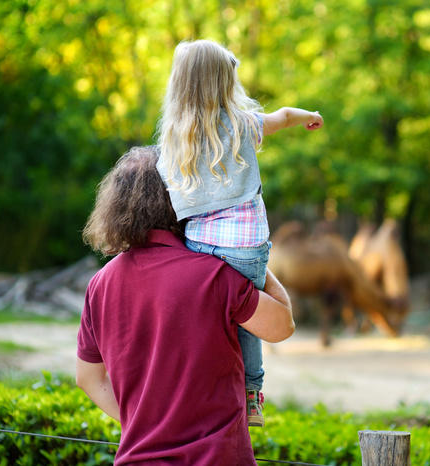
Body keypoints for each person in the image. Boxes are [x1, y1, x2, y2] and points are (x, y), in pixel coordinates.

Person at [76, 146, 294, 465]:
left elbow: (88, 378)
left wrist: (145, 426)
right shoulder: (215, 275)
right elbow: (282, 326)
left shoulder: (100, 284)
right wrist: (250, 259)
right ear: (185, 198)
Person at [155, 39, 323, 426]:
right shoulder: (244, 124)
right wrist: (309, 115)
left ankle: (194, 382)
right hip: (245, 248)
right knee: (248, 317)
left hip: (197, 248)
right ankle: (251, 395)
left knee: (210, 316)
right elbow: (282, 115)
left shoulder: (173, 140)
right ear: (223, 83)